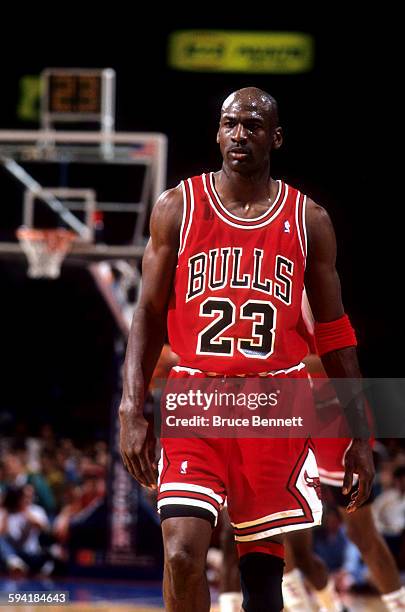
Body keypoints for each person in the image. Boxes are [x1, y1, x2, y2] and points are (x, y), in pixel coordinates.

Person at [119, 87, 374, 612]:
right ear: (217, 132)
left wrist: (361, 436)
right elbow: (145, 313)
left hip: (274, 406)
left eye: (253, 126)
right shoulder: (178, 207)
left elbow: (334, 332)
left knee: (261, 583)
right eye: (230, 123)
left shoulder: (309, 221)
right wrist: (131, 405)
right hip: (196, 400)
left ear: (275, 137)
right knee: (183, 555)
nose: (240, 134)